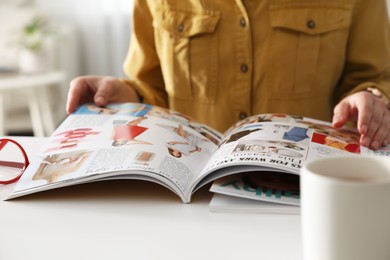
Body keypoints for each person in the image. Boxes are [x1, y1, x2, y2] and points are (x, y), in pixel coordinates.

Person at [66, 0, 390, 150]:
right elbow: (150, 88)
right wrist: (119, 91)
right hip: (188, 202)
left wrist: (370, 97)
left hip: (306, 198)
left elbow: (374, 77)